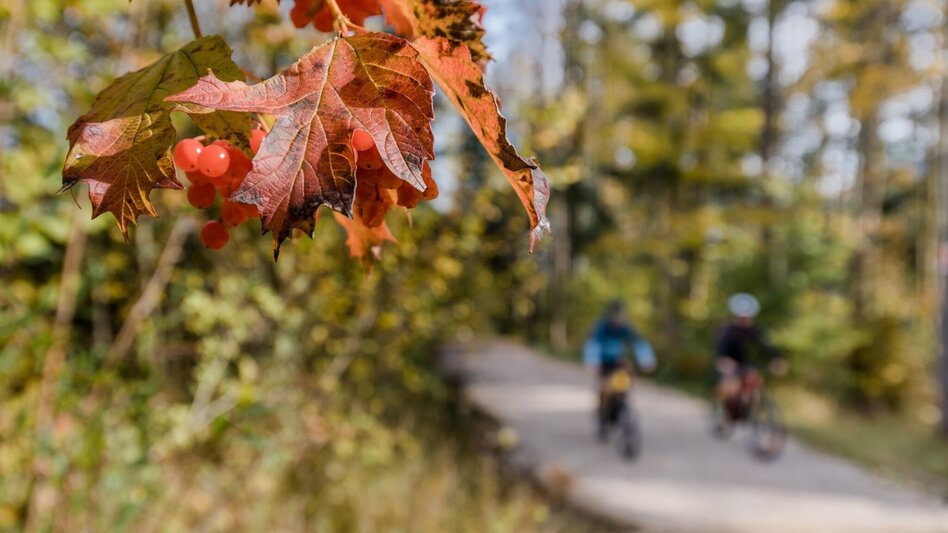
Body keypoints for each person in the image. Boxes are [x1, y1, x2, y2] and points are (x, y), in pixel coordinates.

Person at [583, 300, 656, 438]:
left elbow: (639, 343)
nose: (619, 319)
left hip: (619, 365)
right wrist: (592, 361)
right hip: (604, 365)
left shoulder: (626, 329)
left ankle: (622, 409)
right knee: (604, 389)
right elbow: (593, 345)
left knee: (624, 386)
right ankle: (602, 416)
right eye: (616, 316)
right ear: (611, 316)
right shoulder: (602, 328)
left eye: (621, 316)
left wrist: (646, 360)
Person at [714, 293, 786, 422]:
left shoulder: (755, 330)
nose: (745, 319)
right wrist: (724, 360)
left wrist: (776, 359)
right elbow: (721, 349)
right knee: (729, 387)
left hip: (746, 363)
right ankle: (723, 412)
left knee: (754, 379)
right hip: (729, 362)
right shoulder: (727, 330)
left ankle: (751, 409)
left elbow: (767, 346)